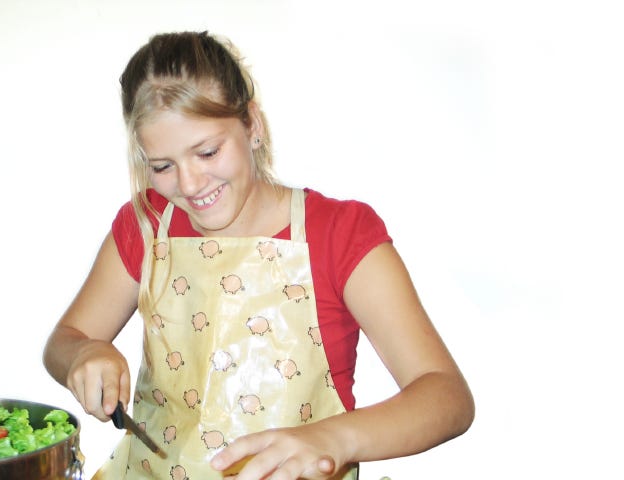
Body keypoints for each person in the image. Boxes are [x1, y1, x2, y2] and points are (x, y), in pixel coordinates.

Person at [43, 31, 474, 480]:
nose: (189, 185)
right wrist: (83, 353)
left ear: (252, 125)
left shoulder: (340, 234)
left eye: (207, 151)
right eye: (162, 166)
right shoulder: (146, 225)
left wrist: (335, 438)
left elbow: (447, 396)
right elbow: (64, 340)